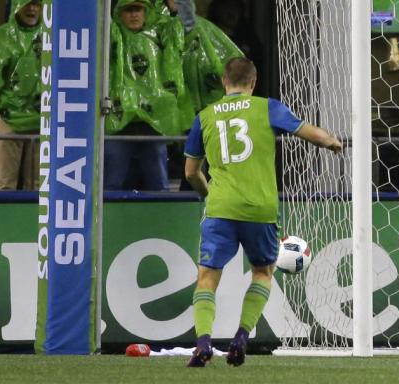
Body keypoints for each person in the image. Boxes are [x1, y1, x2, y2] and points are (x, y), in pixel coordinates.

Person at [183, 57, 342, 367]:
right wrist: (331, 142)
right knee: (262, 272)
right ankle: (241, 337)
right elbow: (308, 132)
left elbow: (191, 172)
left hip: (221, 208)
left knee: (206, 278)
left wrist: (209, 195)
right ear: (253, 83)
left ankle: (203, 343)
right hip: (260, 209)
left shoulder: (204, 116)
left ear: (223, 82)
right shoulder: (267, 107)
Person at [106, 0, 194, 191]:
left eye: (138, 9)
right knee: (111, 181)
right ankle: (107, 218)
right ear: (119, 13)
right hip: (121, 119)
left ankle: (161, 219)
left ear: (146, 13)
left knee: (158, 182)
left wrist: (173, 9)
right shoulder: (113, 34)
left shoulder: (159, 34)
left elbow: (179, 30)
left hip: (153, 121)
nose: (134, 15)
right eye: (129, 10)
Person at [0, 0, 41, 190]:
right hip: (7, 118)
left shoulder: (53, 37)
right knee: (5, 184)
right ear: (16, 6)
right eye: (27, 4)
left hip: (42, 119)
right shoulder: (2, 37)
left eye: (36, 4)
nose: (31, 9)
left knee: (38, 187)